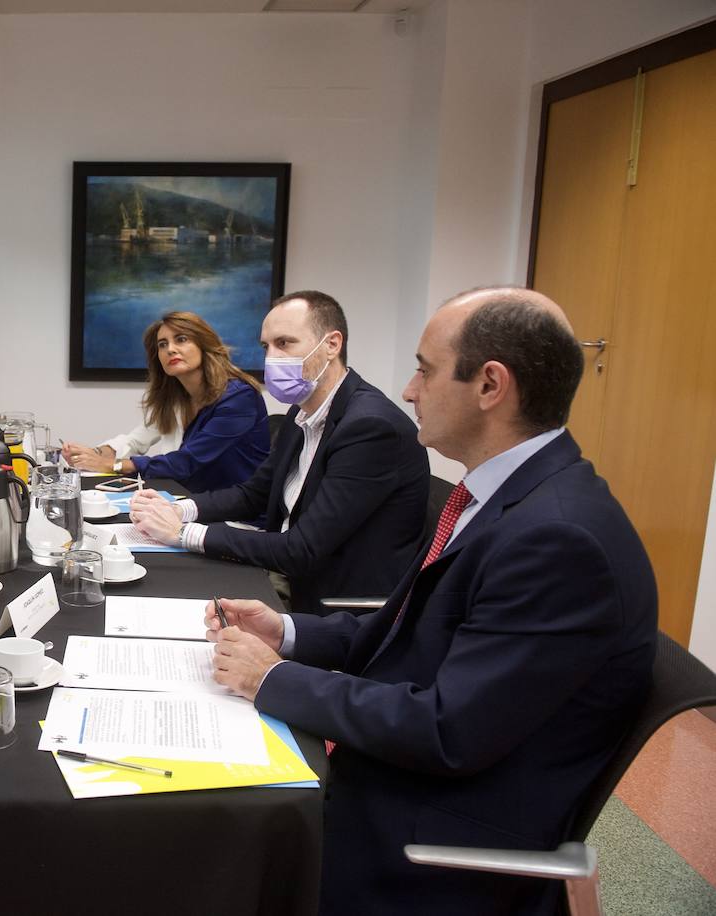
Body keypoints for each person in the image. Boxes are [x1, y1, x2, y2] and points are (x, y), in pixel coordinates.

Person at [206, 287, 656, 916]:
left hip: (433, 838)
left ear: (490, 385)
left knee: (201, 844)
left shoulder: (558, 539)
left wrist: (274, 680)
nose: (410, 390)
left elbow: (449, 731)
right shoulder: (499, 497)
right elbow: (398, 632)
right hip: (401, 774)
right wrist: (286, 631)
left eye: (425, 368)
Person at [130, 291, 428, 613]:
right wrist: (180, 510)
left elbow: (303, 548)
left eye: (284, 343)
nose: (271, 358)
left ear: (332, 344)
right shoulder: (301, 413)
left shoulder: (370, 427)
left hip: (330, 605)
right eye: (266, 347)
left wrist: (183, 533)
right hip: (284, 572)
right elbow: (253, 495)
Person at [65, 310, 269, 493]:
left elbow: (186, 461)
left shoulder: (239, 397)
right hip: (185, 501)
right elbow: (136, 440)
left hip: (235, 519)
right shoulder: (177, 398)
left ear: (204, 344)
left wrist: (113, 465)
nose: (170, 349)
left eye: (181, 339)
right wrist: (92, 455)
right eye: (163, 344)